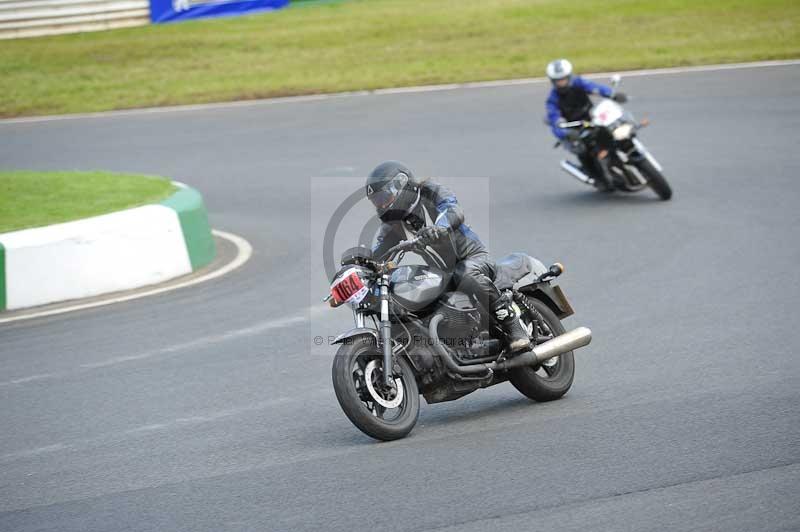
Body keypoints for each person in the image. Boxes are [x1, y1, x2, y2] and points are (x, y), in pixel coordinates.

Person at [366, 161, 531, 354]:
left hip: (473, 258)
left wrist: (441, 227)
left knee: (466, 273)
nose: (382, 205)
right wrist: (360, 265)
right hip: (444, 274)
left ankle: (512, 324)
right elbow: (377, 254)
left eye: (385, 198)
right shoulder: (393, 225)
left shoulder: (429, 191)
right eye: (377, 201)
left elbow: (452, 209)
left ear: (401, 185)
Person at [545, 58, 628, 188]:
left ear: (569, 76)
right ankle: (596, 177)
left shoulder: (578, 83)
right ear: (553, 82)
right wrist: (565, 133)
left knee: (615, 126)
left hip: (591, 118)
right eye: (558, 81)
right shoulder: (552, 100)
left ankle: (626, 148)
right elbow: (554, 120)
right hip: (575, 129)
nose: (562, 83)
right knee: (581, 149)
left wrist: (612, 94)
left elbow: (595, 88)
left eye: (564, 79)